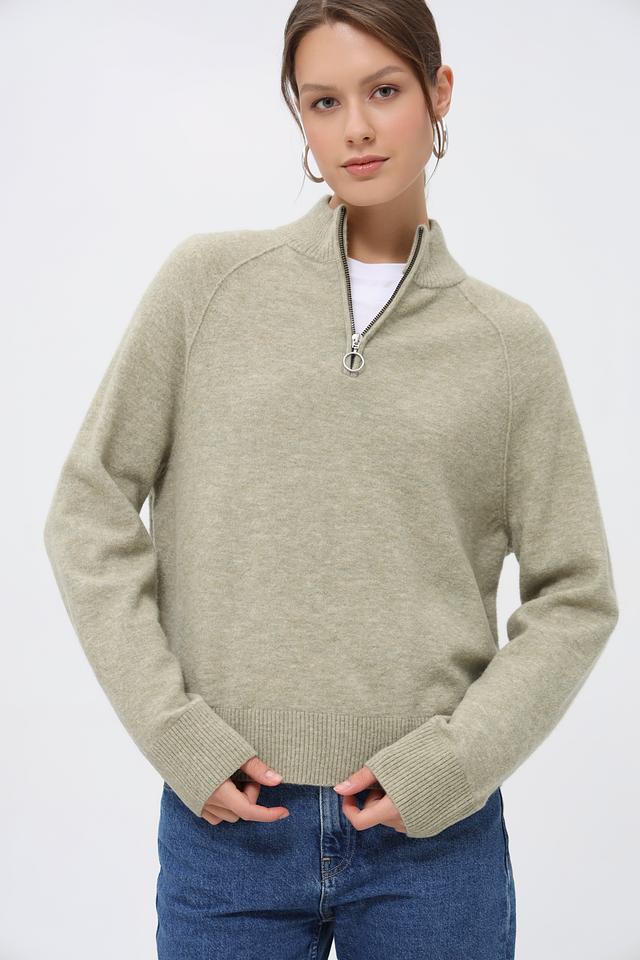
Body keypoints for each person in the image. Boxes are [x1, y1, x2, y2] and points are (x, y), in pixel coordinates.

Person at [43, 2, 619, 958]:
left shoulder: (507, 347)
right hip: (228, 830)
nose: (355, 128)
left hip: (433, 844)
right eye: (323, 101)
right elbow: (87, 508)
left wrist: (453, 765)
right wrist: (174, 732)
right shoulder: (206, 287)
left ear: (439, 92)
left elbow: (577, 594)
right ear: (299, 116)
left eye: (384, 91)